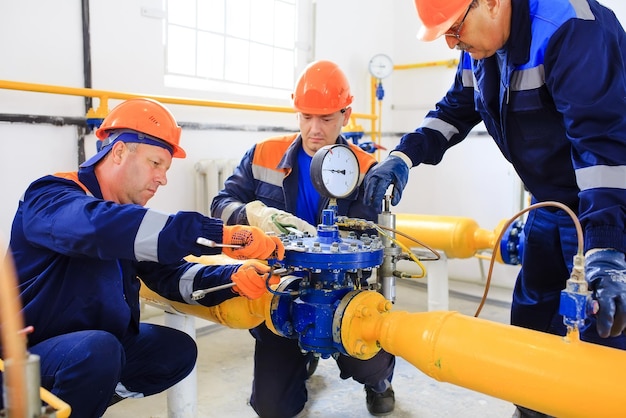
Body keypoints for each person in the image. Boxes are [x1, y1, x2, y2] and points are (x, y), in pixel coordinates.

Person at [363, 0, 626, 417]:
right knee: (531, 325)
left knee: (603, 342)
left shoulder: (571, 29)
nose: (452, 44)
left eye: (454, 29)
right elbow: (453, 112)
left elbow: (604, 153)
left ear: (491, 2)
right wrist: (403, 156)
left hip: (611, 206)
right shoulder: (478, 49)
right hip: (552, 205)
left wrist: (608, 252)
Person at [0, 98, 284, 418]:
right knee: (98, 352)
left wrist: (232, 278)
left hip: (94, 349)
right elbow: (96, 229)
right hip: (25, 354)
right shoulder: (50, 196)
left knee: (176, 351)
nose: (163, 178)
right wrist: (223, 236)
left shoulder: (129, 223)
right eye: (156, 163)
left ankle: (92, 390)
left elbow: (171, 276)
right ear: (119, 152)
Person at [211, 60, 397, 417]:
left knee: (367, 362)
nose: (314, 129)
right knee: (271, 407)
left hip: (344, 294)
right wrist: (254, 215)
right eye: (306, 116)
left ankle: (379, 382)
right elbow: (220, 204)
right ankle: (300, 356)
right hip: (279, 291)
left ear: (346, 114)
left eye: (326, 119)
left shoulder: (365, 169)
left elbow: (371, 238)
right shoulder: (262, 155)